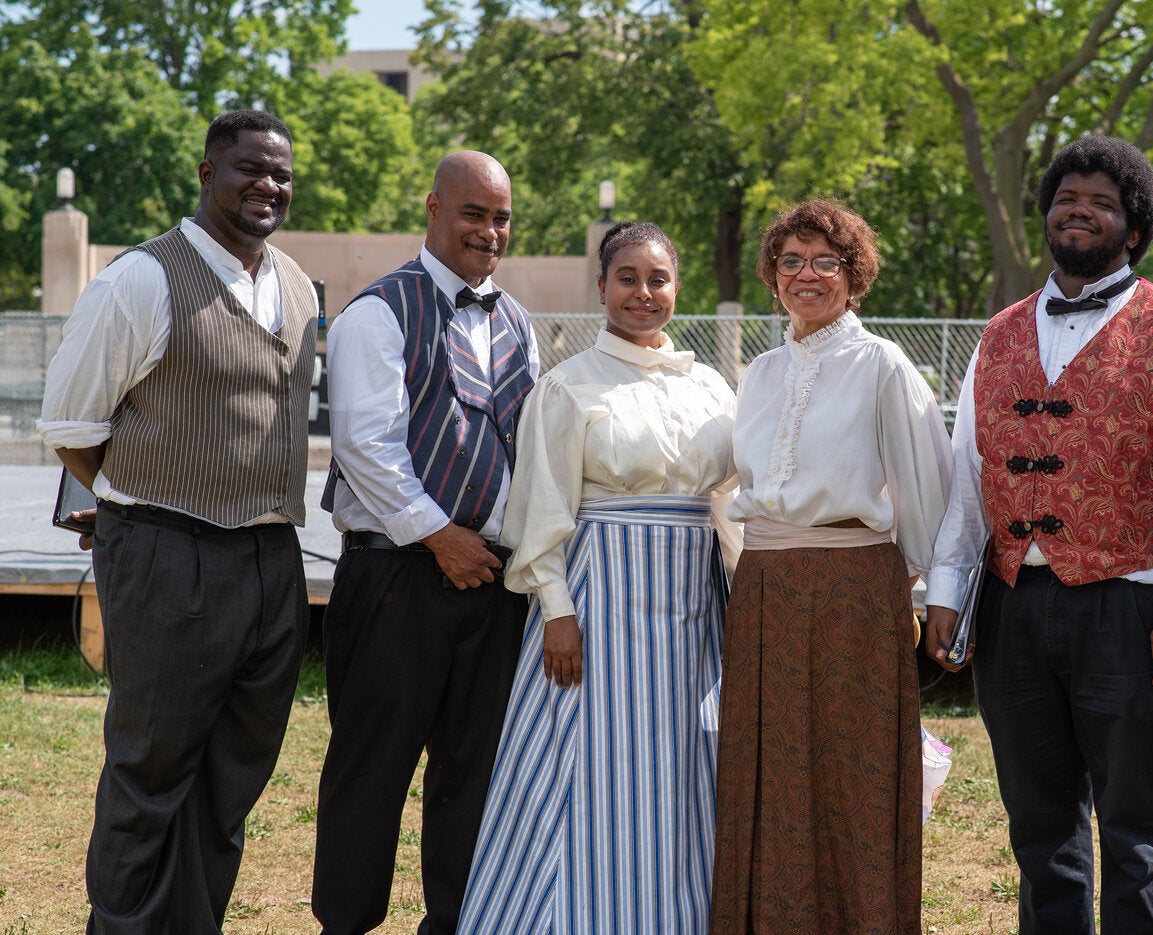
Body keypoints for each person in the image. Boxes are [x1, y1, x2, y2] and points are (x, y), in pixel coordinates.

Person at [924, 136, 1153, 934]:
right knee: (1039, 825)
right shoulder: (997, 333)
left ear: (1133, 228)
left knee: (1138, 824)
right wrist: (948, 592)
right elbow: (970, 477)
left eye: (1101, 201)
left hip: (1134, 604)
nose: (1078, 209)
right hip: (1015, 607)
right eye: (1066, 198)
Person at [36, 109, 318, 933]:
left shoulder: (297, 287)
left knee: (235, 773)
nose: (268, 185)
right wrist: (137, 500)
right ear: (205, 174)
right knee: (149, 770)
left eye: (282, 174)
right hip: (167, 552)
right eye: (249, 169)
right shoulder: (142, 278)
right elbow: (70, 424)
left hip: (271, 557)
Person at [456, 221, 740, 934]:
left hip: (693, 606)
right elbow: (542, 506)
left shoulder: (711, 385)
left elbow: (739, 499)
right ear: (602, 286)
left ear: (678, 287)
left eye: (659, 279)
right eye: (628, 278)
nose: (643, 293)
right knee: (595, 768)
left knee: (682, 770)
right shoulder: (568, 385)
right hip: (599, 605)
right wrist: (557, 609)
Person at [709, 199, 953, 934]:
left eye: (825, 261)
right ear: (773, 276)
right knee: (768, 770)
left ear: (854, 275)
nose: (807, 274)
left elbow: (928, 492)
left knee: (852, 773)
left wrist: (921, 597)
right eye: (791, 261)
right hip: (765, 589)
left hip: (856, 590)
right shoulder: (759, 372)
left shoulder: (883, 365)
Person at [311, 151, 538, 935]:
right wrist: (442, 536)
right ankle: (346, 923)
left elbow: (524, 447)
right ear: (435, 208)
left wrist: (503, 546)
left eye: (502, 216)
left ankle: (458, 923)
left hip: (491, 582)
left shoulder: (516, 320)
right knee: (370, 769)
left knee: (475, 773)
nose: (489, 230)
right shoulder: (377, 311)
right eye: (474, 212)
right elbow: (369, 448)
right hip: (395, 577)